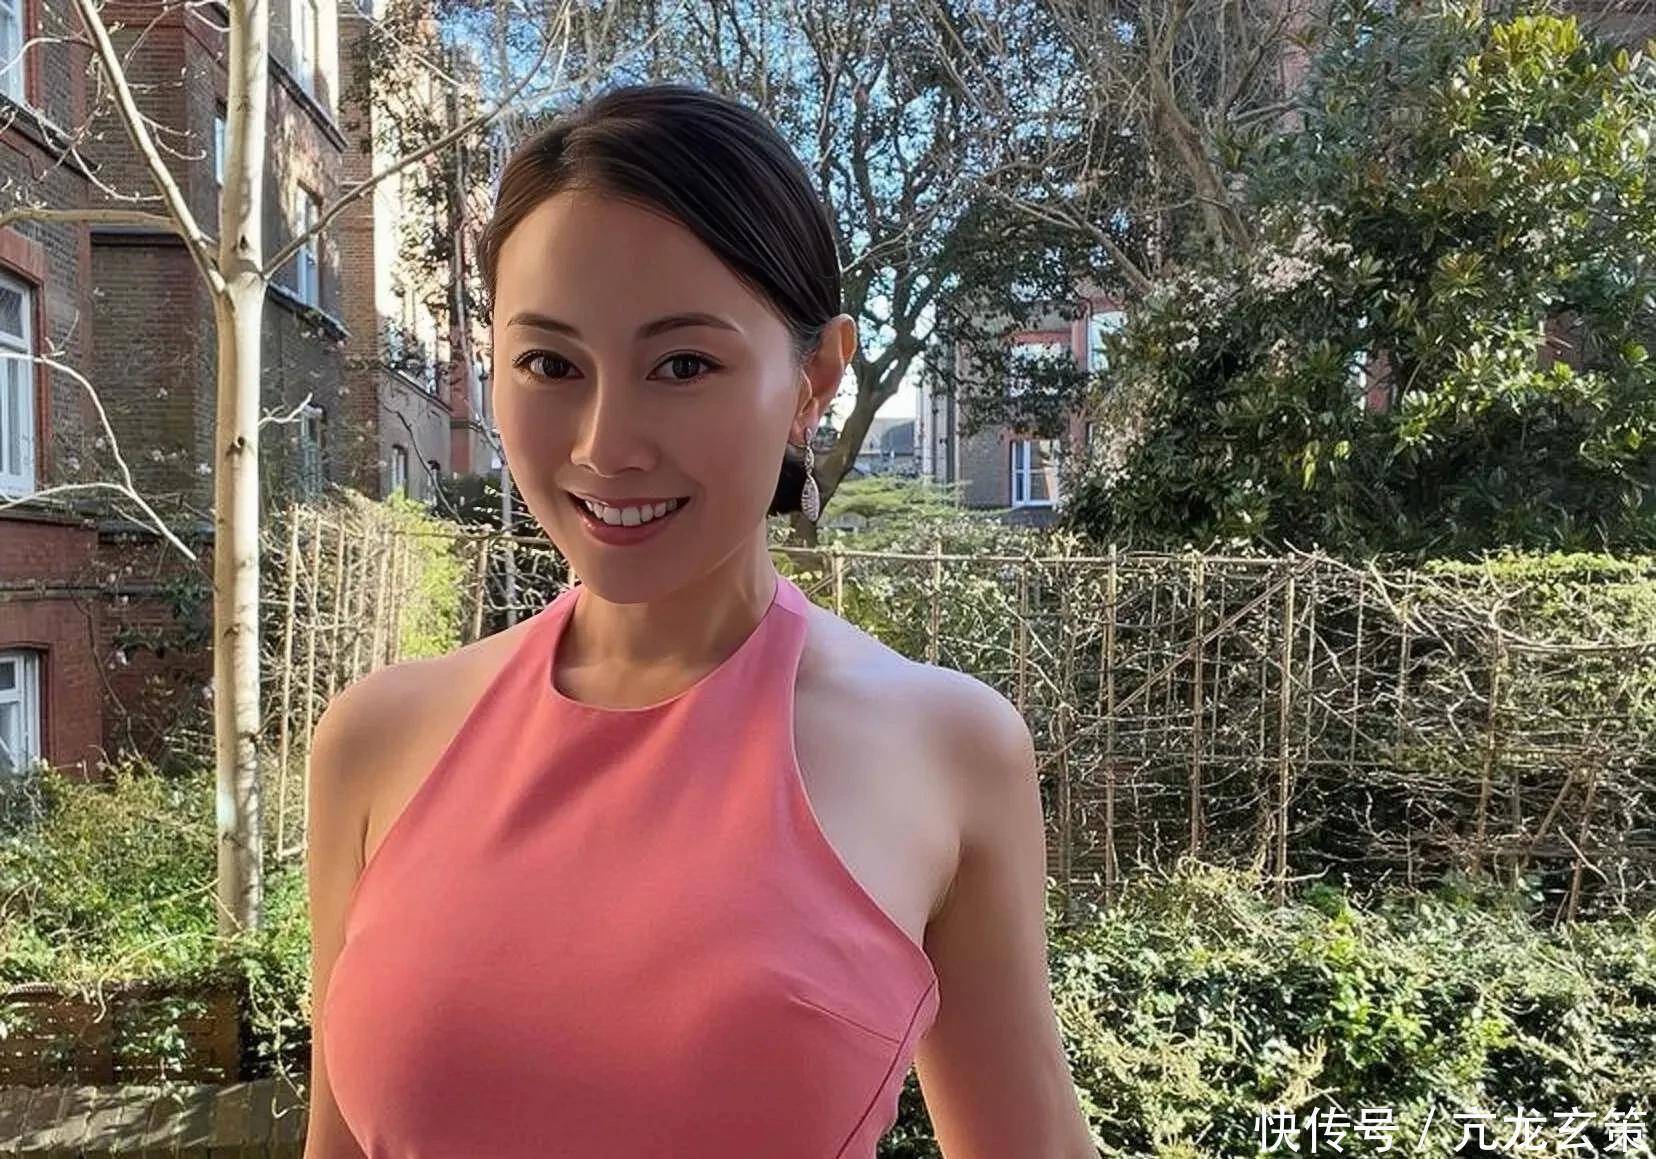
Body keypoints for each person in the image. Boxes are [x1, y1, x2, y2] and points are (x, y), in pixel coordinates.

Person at [304, 81, 1099, 1159]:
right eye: (549, 364)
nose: (606, 444)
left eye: (684, 364)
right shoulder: (376, 740)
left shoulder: (944, 748)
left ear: (813, 379)